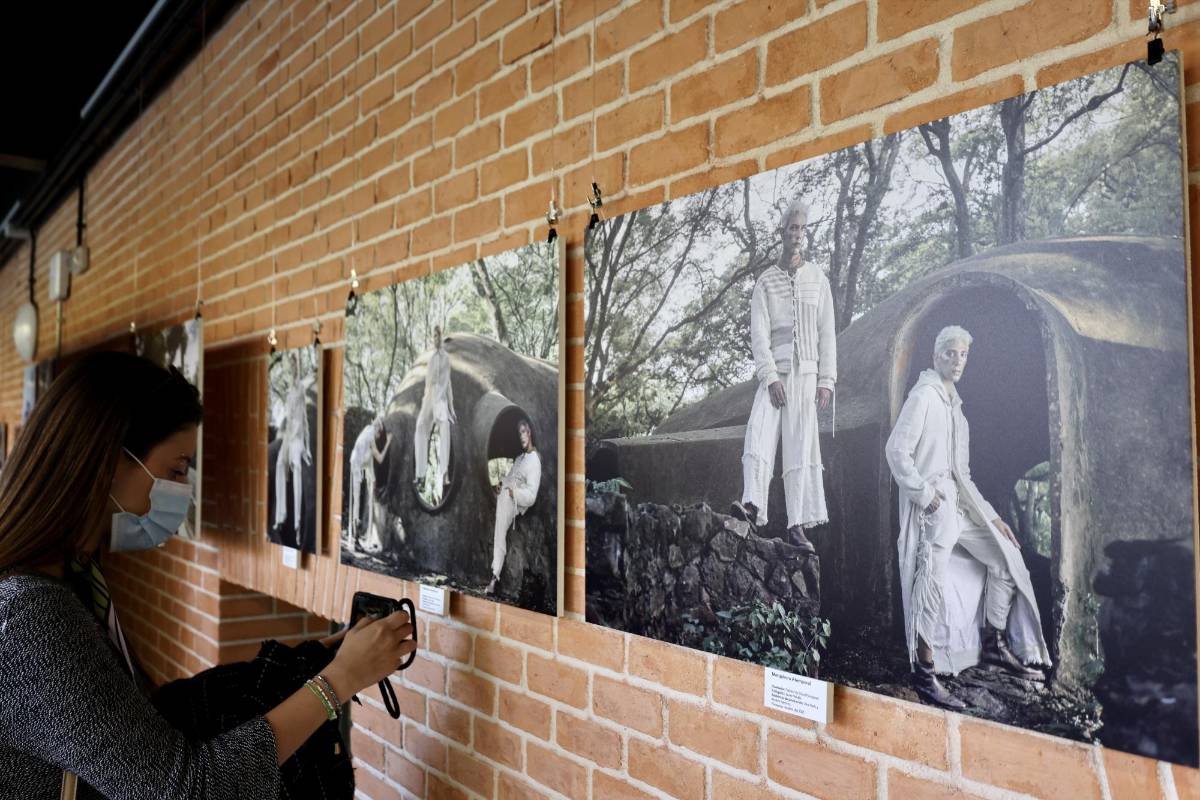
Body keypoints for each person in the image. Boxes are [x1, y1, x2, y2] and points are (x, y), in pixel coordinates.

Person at [0, 352, 415, 799]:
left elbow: (132, 725)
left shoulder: (72, 577)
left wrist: (305, 664)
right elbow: (187, 790)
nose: (183, 492)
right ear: (111, 462)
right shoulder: (32, 617)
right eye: (176, 469)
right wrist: (337, 682)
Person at [885, 326, 1051, 710]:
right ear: (936, 356)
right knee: (930, 581)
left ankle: (994, 647)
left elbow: (965, 475)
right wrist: (925, 496)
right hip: (933, 507)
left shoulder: (956, 410)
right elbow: (896, 451)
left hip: (959, 506)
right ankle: (924, 672)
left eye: (963, 355)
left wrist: (992, 518)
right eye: (951, 353)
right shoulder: (923, 397)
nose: (958, 361)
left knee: (1005, 558)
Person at [730, 200, 836, 552]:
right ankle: (751, 505)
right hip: (775, 375)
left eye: (803, 228)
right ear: (782, 232)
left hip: (807, 375)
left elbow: (827, 333)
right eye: (793, 228)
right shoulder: (765, 282)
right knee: (758, 432)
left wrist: (826, 380)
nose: (798, 234)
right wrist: (770, 376)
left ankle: (797, 525)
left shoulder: (817, 279)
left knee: (800, 445)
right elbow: (759, 336)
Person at [485, 419, 541, 596]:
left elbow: (531, 496)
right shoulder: (519, 458)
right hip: (506, 495)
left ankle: (495, 576)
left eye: (524, 432)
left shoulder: (535, 461)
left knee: (499, 530)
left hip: (515, 501)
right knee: (498, 525)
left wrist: (513, 494)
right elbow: (509, 478)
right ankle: (494, 575)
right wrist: (502, 485)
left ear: (530, 433)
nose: (521, 436)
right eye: (519, 433)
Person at [273, 350, 315, 540]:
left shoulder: (300, 390)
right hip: (288, 439)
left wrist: (307, 448)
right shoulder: (289, 393)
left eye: (294, 366)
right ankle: (280, 515)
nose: (292, 370)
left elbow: (304, 422)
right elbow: (288, 422)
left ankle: (298, 523)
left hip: (298, 440)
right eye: (290, 367)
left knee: (297, 467)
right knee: (279, 465)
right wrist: (284, 444)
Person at [413, 326, 455, 496]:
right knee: (420, 426)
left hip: (440, 399)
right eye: (433, 336)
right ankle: (420, 474)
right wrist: (425, 403)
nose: (435, 339)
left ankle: (444, 472)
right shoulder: (431, 359)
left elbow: (448, 384)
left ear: (441, 337)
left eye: (437, 336)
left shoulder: (446, 358)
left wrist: (451, 407)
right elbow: (427, 383)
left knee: (445, 427)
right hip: (429, 397)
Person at [348, 417, 391, 551]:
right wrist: (388, 443)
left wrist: (371, 479)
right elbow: (379, 458)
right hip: (356, 465)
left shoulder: (366, 429)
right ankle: (354, 539)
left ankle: (357, 537)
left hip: (356, 461)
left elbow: (367, 456)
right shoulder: (371, 437)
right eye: (379, 433)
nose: (378, 437)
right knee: (356, 503)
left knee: (357, 501)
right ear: (377, 429)